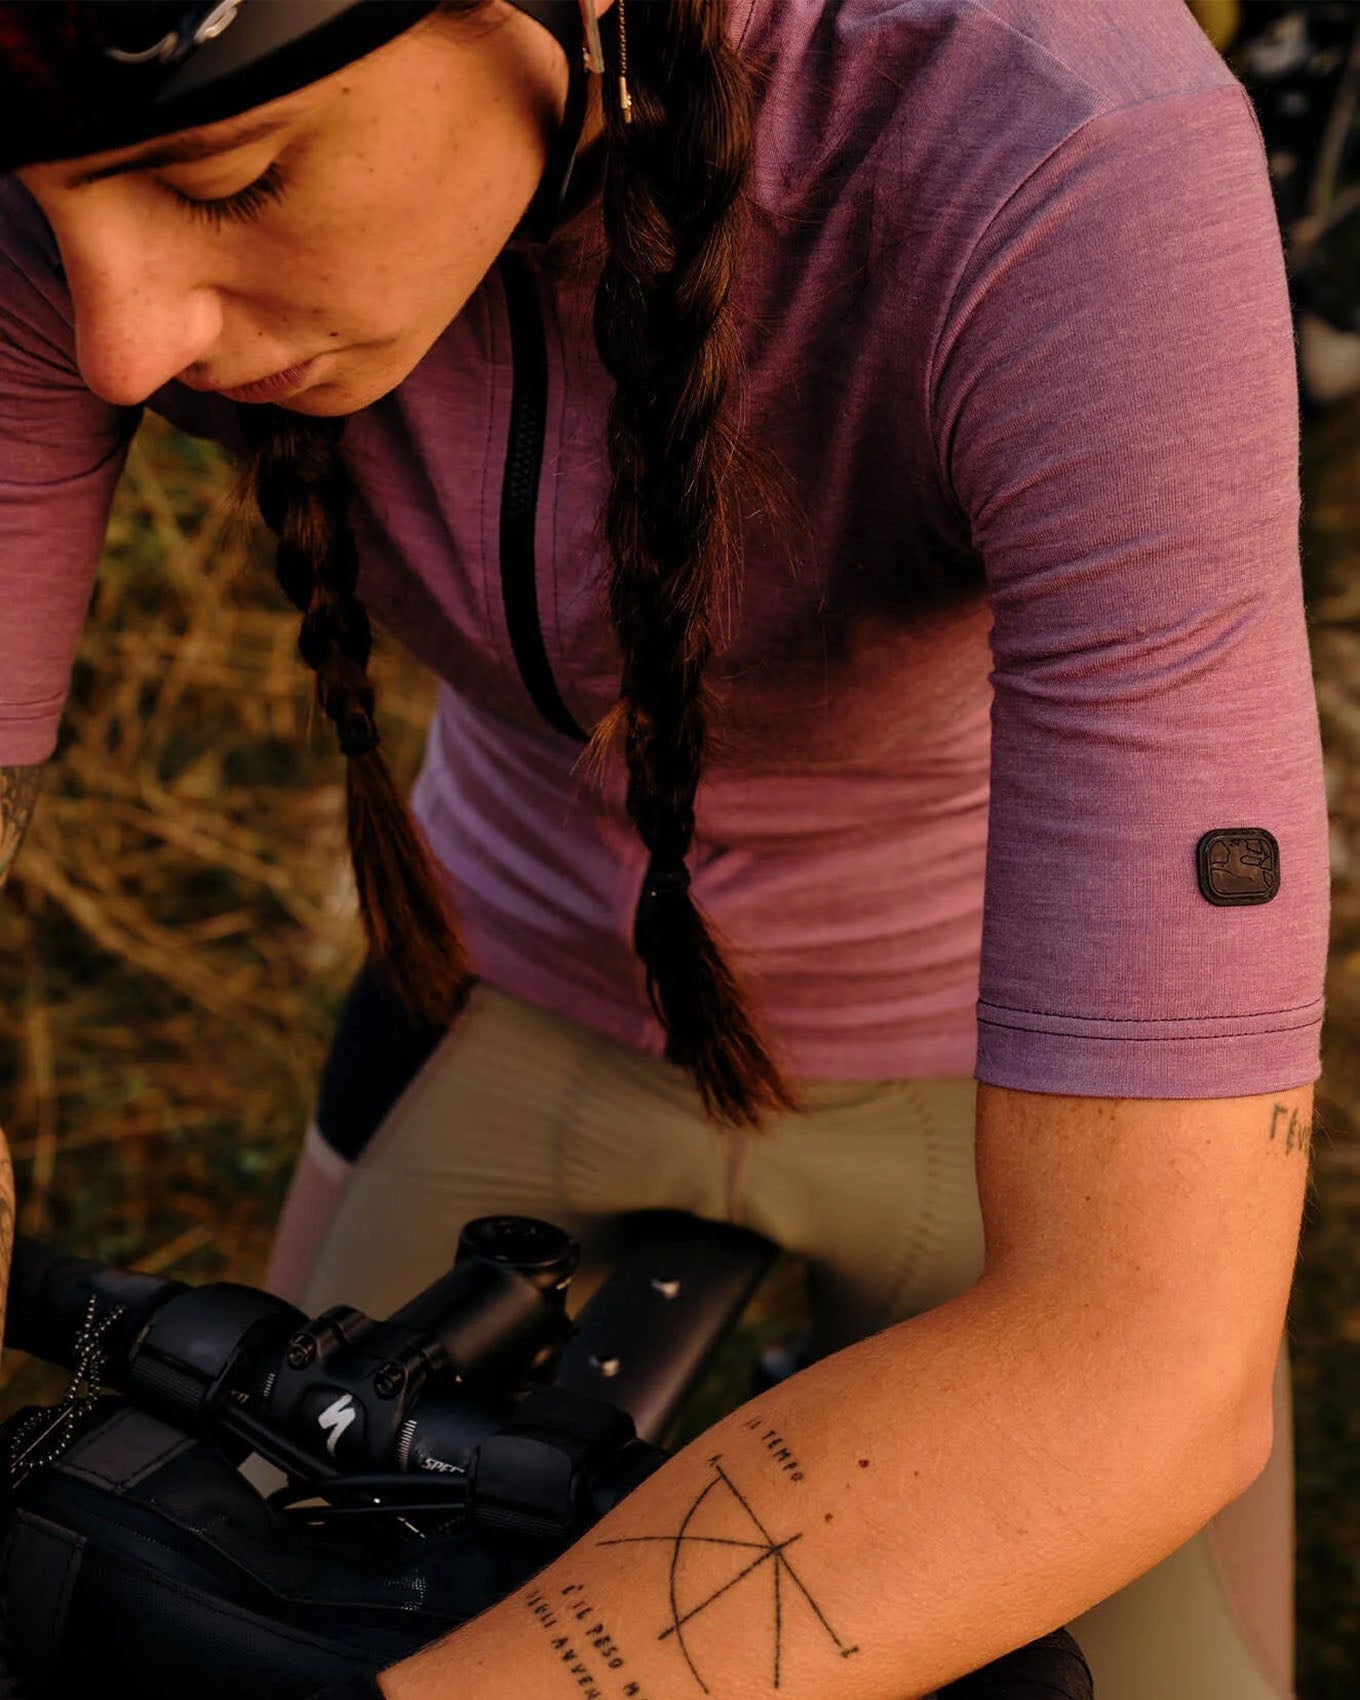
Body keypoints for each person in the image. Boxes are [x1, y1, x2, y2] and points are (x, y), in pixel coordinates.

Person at [0, 2, 1328, 1697]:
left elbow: (1136, 1358)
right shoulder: (65, 144)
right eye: (49, 211)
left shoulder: (1067, 138)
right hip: (505, 982)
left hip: (1004, 1082)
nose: (118, 341)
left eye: (234, 179)